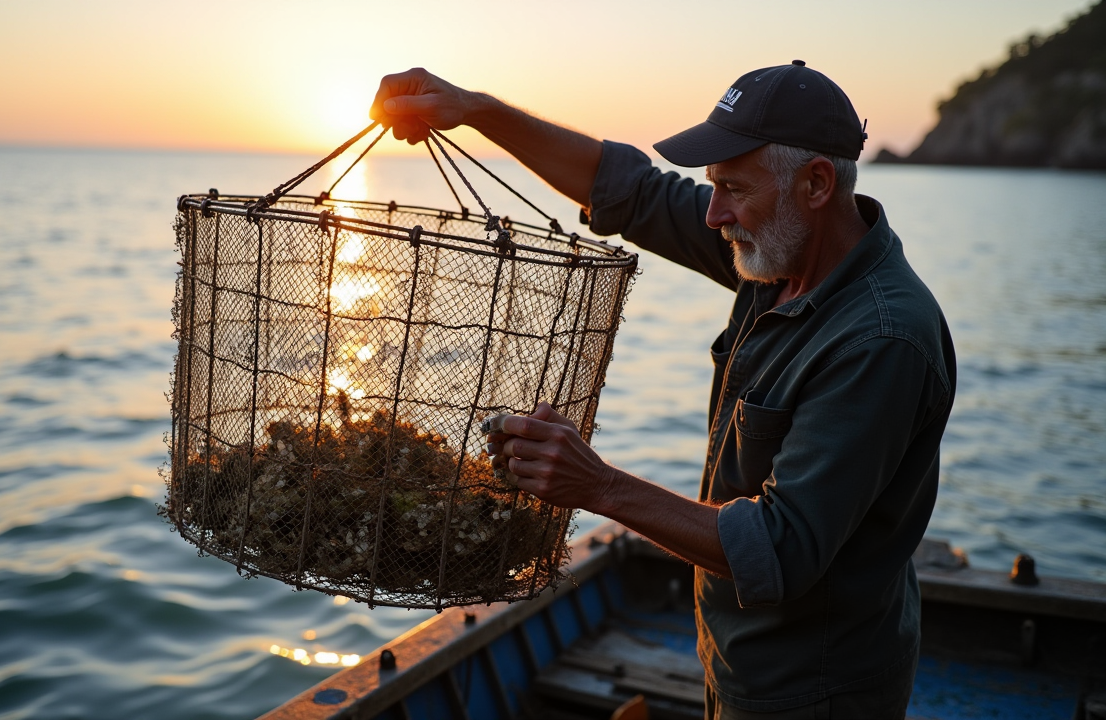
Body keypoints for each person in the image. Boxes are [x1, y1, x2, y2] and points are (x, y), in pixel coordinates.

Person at [370, 63, 955, 719]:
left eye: (732, 188)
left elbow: (779, 548)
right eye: (711, 187)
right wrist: (476, 110)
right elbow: (632, 192)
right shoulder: (781, 253)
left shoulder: (881, 341)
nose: (713, 213)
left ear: (816, 183)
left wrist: (598, 487)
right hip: (736, 656)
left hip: (813, 689)